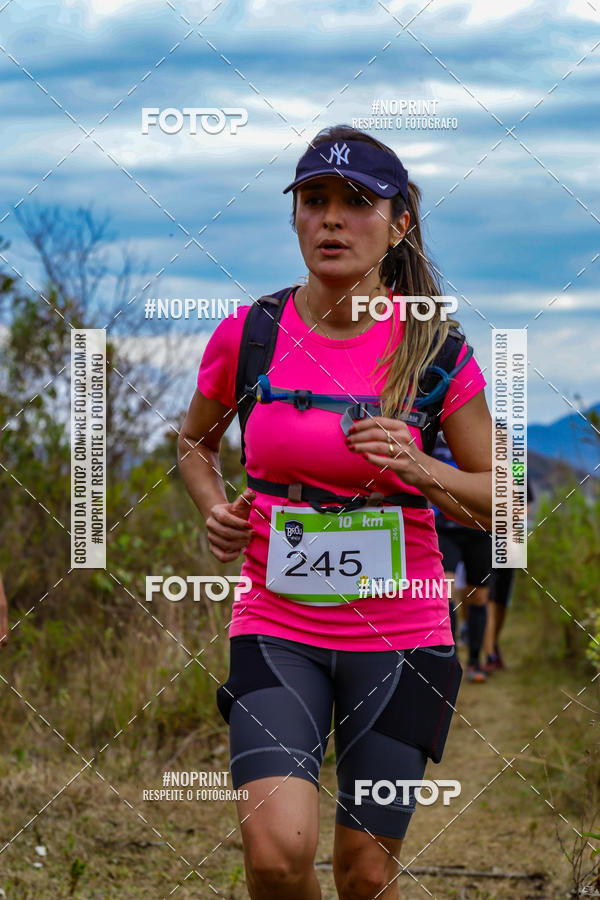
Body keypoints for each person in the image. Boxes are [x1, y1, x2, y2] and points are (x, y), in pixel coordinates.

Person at [179, 124, 493, 900]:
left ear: (399, 223)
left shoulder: (436, 350)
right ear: (294, 217)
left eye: (356, 203)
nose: (331, 219)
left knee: (365, 871)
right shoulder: (250, 334)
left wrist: (420, 466)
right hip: (275, 624)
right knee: (276, 857)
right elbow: (194, 442)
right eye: (313, 200)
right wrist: (216, 507)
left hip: (403, 633)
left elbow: (504, 502)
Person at [432, 433, 492, 683]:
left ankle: (475, 662)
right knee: (445, 591)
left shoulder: (485, 436)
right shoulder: (432, 437)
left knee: (478, 595)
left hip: (480, 528)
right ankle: (451, 659)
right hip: (445, 528)